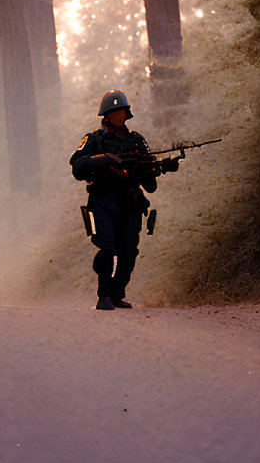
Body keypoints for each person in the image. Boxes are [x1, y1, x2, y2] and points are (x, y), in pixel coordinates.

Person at [69, 89, 178, 310]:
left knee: (129, 251)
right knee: (107, 248)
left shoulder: (137, 140)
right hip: (103, 201)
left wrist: (162, 167)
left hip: (131, 203)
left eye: (122, 112)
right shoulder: (93, 140)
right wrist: (105, 159)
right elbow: (77, 165)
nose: (119, 116)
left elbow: (149, 171)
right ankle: (104, 296)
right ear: (106, 116)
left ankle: (118, 294)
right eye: (114, 113)